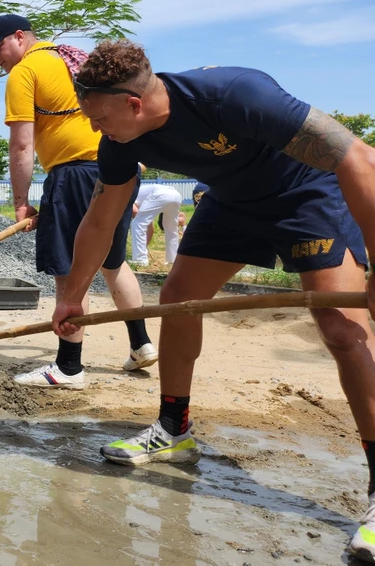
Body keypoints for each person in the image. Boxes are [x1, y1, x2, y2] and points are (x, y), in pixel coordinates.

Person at [49, 39, 375, 562]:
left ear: (134, 104)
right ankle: (173, 429)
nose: (93, 128)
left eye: (99, 116)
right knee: (179, 300)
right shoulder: (120, 141)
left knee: (339, 328)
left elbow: (359, 156)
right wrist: (73, 296)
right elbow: (101, 217)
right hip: (232, 203)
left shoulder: (234, 94)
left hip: (306, 194)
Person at [0, 13, 157, 388]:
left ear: (20, 37)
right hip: (117, 165)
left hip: (75, 174)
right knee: (112, 260)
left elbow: (22, 143)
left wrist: (21, 202)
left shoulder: (25, 71)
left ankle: (68, 367)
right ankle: (141, 344)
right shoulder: (70, 57)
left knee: (71, 268)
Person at [130, 180, 183, 266]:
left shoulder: (129, 196)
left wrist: (142, 247)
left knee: (137, 223)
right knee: (171, 228)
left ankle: (139, 259)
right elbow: (149, 227)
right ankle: (172, 260)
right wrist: (143, 246)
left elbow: (136, 214)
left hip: (160, 194)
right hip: (176, 195)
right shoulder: (141, 192)